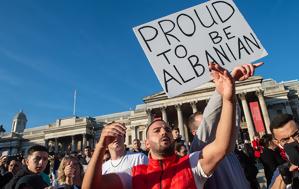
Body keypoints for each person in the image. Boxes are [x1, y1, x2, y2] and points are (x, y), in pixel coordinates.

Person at [82, 62, 237, 189]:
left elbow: (222, 146)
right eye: (157, 130)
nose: (164, 131)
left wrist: (228, 100)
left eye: (168, 129)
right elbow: (91, 187)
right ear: (146, 143)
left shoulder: (192, 164)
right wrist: (101, 146)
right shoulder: (133, 174)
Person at [189, 62, 264, 189]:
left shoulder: (229, 151)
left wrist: (230, 85)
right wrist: (220, 92)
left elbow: (233, 121)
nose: (215, 125)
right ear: (196, 133)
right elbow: (209, 119)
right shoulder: (198, 154)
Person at [268, 114, 299, 189]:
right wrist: (284, 177)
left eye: (296, 135)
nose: (293, 141)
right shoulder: (281, 172)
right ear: (277, 143)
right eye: (285, 140)